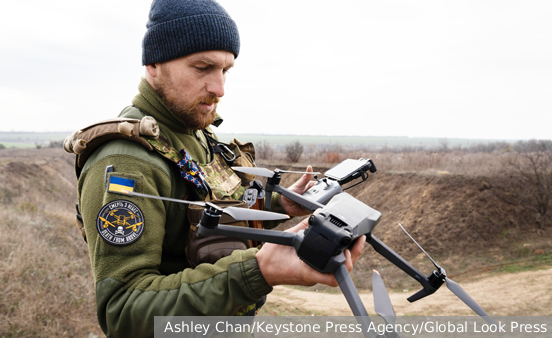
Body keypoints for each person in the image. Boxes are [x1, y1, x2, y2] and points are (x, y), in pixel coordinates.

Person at [74, 0, 366, 336]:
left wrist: (279, 205)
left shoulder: (194, 134)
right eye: (202, 68)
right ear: (153, 64)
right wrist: (257, 271)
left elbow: (211, 202)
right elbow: (122, 311)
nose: (220, 89)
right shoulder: (127, 161)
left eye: (225, 71)